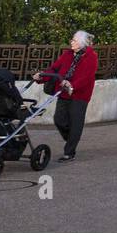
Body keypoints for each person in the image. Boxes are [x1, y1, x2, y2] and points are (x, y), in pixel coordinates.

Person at [35, 30, 97, 162]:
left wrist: (72, 86)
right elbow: (54, 68)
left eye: (74, 40)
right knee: (59, 119)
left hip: (79, 95)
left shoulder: (91, 56)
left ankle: (69, 152)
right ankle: (72, 140)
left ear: (81, 43)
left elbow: (87, 77)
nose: (71, 42)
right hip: (63, 92)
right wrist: (41, 76)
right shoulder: (67, 54)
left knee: (75, 123)